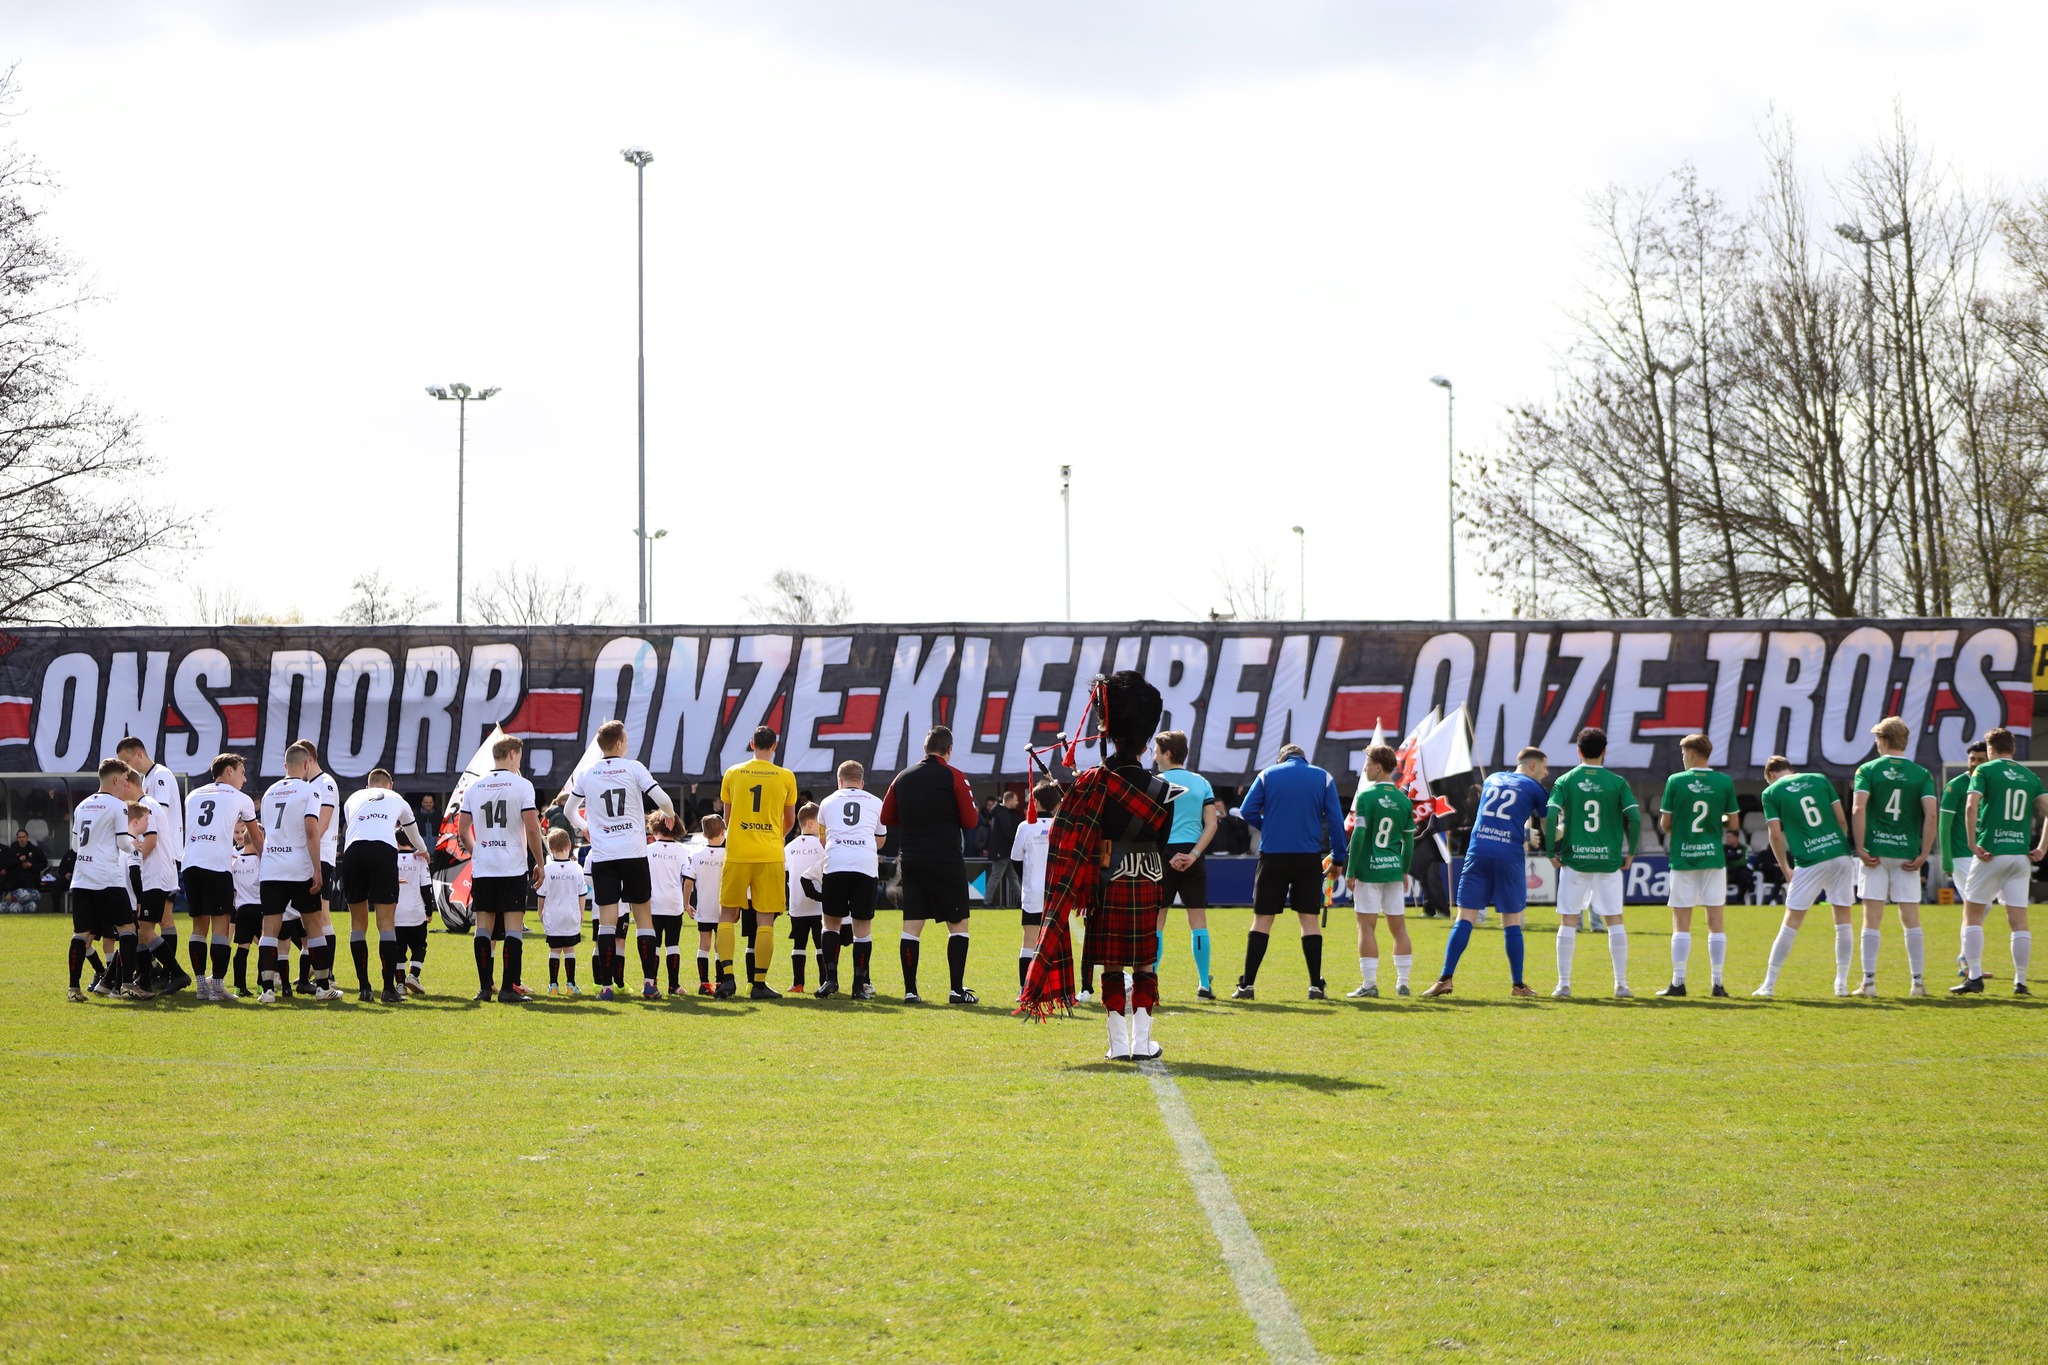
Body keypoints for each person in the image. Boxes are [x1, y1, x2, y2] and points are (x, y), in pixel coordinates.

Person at [1017, 670, 1175, 1059]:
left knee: (1111, 965)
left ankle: (1118, 1043)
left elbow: (1070, 838)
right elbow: (1162, 840)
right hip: (1148, 879)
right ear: (1146, 739)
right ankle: (1143, 1041)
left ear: (1108, 731)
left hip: (1104, 881)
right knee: (1144, 962)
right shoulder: (1164, 790)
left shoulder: (1091, 782)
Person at [1423, 747, 1549, 999]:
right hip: (1508, 857)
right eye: (1544, 768)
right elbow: (1547, 826)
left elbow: (1497, 815)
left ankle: (1444, 979)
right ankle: (1518, 985)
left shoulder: (1491, 779)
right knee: (1512, 922)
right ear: (1533, 766)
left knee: (1464, 919)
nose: (1546, 773)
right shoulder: (1536, 789)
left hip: (1478, 851)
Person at [568, 720, 676, 1000]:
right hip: (633, 854)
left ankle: (605, 988)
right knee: (644, 919)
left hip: (604, 857)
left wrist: (584, 828)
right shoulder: (634, 767)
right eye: (626, 739)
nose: (628, 743)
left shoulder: (588, 773)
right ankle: (649, 984)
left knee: (606, 922)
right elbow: (662, 799)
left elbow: (570, 810)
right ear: (618, 743)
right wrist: (670, 814)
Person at [1232, 743, 1346, 1001]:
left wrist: (1268, 826)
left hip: (1272, 855)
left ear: (1281, 758)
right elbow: (1336, 821)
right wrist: (1339, 857)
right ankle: (1316, 985)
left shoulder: (1268, 774)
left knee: (1262, 919)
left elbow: (1247, 810)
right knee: (1309, 920)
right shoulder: (1323, 777)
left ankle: (1247, 985)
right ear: (1303, 759)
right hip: (1307, 857)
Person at [880, 726, 980, 1004]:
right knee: (958, 924)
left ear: (924, 749)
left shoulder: (902, 777)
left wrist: (914, 821)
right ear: (949, 750)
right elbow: (971, 821)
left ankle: (911, 991)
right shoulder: (954, 775)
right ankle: (956, 990)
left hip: (912, 858)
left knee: (912, 925)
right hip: (946, 859)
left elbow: (887, 816)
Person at [1546, 727, 1641, 999]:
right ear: (1604, 751)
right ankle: (1621, 985)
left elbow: (1551, 814)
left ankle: (1564, 985)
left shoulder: (1565, 780)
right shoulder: (1617, 782)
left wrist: (1551, 851)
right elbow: (1634, 818)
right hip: (1608, 862)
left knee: (1568, 920)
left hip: (1575, 861)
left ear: (1578, 751)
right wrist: (1631, 851)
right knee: (1614, 920)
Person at [1753, 755, 1856, 999]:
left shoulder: (1771, 793)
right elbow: (1841, 818)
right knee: (1843, 919)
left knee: (1791, 922)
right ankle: (1841, 984)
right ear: (1790, 769)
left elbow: (1775, 835)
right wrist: (1838, 843)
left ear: (1769, 776)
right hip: (1839, 853)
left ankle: (1769, 984)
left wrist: (1785, 867)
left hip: (1809, 859)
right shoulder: (1819, 779)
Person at [1849, 717, 1938, 998]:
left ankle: (1869, 983)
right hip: (1907, 855)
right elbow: (1931, 814)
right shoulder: (1921, 773)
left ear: (1884, 740)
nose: (1876, 743)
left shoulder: (1867, 769)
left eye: (1877, 738)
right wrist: (1925, 851)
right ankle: (1917, 983)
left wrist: (1860, 847)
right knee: (1911, 919)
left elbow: (1858, 809)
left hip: (1875, 853)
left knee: (1871, 919)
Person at [1956, 726, 2045, 995]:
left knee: (1972, 916)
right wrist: (2041, 847)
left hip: (1990, 853)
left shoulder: (1984, 770)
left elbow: (1971, 805)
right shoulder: (2029, 775)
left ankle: (1974, 977)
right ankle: (2021, 981)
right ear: (2014, 749)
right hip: (2019, 856)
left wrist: (1972, 843)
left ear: (1990, 749)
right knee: (2019, 921)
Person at [458, 735, 547, 1004]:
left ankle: (485, 989)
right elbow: (532, 828)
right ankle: (508, 989)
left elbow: (463, 832)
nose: (520, 760)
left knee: (482, 929)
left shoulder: (474, 787)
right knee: (513, 928)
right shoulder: (522, 785)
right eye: (519, 755)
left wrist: (479, 852)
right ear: (511, 753)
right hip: (512, 866)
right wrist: (540, 863)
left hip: (485, 868)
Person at [1657, 734, 1741, 998]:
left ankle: (1678, 982)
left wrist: (1682, 826)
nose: (1682, 757)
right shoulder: (1724, 781)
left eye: (1683, 753)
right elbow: (1734, 824)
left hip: (1683, 857)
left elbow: (1665, 824)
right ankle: (1717, 983)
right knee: (1715, 921)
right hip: (1713, 858)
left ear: (1692, 753)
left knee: (1681, 922)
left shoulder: (1676, 781)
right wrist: (1719, 821)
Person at [719, 725, 799, 1001]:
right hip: (770, 854)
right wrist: (774, 837)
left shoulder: (733, 772)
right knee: (766, 919)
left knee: (727, 914)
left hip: (738, 852)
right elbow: (790, 820)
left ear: (752, 744)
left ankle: (728, 979)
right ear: (774, 746)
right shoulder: (786, 776)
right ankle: (759, 984)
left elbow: (727, 819)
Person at [342, 767, 433, 1002]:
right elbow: (413, 834)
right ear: (390, 785)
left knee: (358, 924)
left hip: (353, 851)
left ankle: (364, 988)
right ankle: (388, 989)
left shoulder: (353, 798)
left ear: (367, 785)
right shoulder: (396, 798)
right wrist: (423, 851)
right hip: (383, 851)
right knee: (386, 924)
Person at [181, 753, 260, 1002]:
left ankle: (201, 985)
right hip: (216, 865)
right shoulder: (240, 798)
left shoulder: (193, 795)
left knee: (198, 927)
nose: (244, 779)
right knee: (221, 925)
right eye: (241, 772)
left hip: (191, 863)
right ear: (228, 771)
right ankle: (217, 986)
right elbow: (255, 836)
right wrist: (268, 862)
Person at [1344, 743, 1416, 999]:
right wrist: (1404, 870)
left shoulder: (1365, 796)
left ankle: (1369, 984)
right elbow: (1409, 841)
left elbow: (1359, 834)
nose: (1364, 769)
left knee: (1366, 927)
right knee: (1399, 928)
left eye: (1366, 764)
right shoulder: (1403, 800)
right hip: (1393, 870)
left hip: (1368, 870)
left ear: (1377, 766)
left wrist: (1350, 869)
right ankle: (1403, 982)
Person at [256, 744, 328, 1003]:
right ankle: (322, 987)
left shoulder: (269, 792)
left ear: (285, 766)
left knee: (269, 931)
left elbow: (265, 833)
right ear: (308, 763)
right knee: (312, 927)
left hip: (272, 869)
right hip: (298, 868)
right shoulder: (311, 791)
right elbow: (311, 831)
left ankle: (267, 990)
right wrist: (317, 869)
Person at [66, 759, 141, 1001]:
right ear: (116, 779)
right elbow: (122, 843)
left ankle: (73, 989)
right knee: (127, 928)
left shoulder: (82, 805)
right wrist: (135, 846)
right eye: (125, 780)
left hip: (82, 878)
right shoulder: (117, 806)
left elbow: (75, 845)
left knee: (81, 934)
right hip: (108, 878)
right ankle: (127, 984)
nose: (125, 785)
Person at [1153, 730, 1220, 999]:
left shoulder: (1155, 782)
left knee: (1156, 923)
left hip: (1162, 856)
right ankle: (1204, 983)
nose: (1153, 755)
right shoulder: (1201, 782)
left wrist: (1165, 853)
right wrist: (1193, 855)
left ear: (1168, 753)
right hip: (1193, 857)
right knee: (1198, 922)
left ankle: (1151, 982)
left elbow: (1149, 824)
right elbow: (1212, 824)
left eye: (1156, 750)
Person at [116, 736, 186, 990]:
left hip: (159, 866)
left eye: (125, 762)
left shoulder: (156, 783)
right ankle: (149, 976)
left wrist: (132, 859)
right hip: (158, 866)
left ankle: (171, 973)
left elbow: (153, 833)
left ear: (138, 754)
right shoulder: (147, 787)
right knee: (151, 925)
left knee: (150, 926)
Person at [817, 760, 886, 1000]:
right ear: (862, 781)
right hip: (865, 866)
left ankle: (830, 981)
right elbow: (880, 840)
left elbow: (822, 838)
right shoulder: (876, 802)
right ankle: (859, 986)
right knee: (862, 929)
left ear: (840, 781)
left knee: (831, 924)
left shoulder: (827, 801)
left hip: (835, 864)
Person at [294, 739, 346, 991]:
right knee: (305, 917)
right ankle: (314, 968)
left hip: (321, 856)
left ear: (309, 760)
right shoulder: (308, 785)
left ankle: (328, 972)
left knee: (322, 916)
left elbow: (321, 825)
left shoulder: (325, 783)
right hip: (306, 857)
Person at [1938, 739, 1991, 980]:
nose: (1975, 764)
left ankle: (1965, 958)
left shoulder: (1991, 784)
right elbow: (1944, 825)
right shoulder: (1956, 785)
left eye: (1980, 760)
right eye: (1972, 759)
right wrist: (1946, 860)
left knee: (1981, 906)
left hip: (1983, 856)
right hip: (1961, 856)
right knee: (1979, 906)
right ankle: (1967, 962)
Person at [1011, 781, 1058, 998]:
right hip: (1056, 893)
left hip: (1032, 893)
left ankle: (1025, 989)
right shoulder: (1060, 825)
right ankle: (1055, 989)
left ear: (1035, 801)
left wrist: (1027, 880)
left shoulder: (1025, 826)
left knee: (1029, 941)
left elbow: (1015, 859)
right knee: (1055, 942)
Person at [539, 828, 588, 995]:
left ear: (551, 848)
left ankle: (553, 985)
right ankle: (571, 984)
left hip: (553, 916)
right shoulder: (576, 868)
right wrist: (581, 914)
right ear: (569, 845)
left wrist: (540, 912)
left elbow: (541, 895)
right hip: (571, 915)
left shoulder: (547, 869)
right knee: (569, 949)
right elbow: (582, 894)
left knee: (554, 950)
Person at [646, 811, 690, 995]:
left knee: (654, 945)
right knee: (673, 944)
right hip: (674, 903)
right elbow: (687, 878)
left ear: (655, 827)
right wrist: (687, 904)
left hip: (653, 904)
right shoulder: (682, 851)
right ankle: (674, 985)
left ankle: (652, 983)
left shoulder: (647, 850)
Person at [684, 814, 727, 996]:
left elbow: (688, 881)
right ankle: (720, 982)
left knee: (704, 944)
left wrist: (686, 903)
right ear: (723, 832)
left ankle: (704, 983)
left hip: (703, 907)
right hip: (723, 909)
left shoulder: (697, 854)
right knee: (721, 946)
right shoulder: (727, 855)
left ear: (703, 834)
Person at [784, 804, 826, 994]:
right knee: (821, 945)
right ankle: (824, 982)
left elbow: (784, 875)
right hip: (819, 906)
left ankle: (797, 983)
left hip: (797, 906)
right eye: (820, 822)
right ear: (811, 822)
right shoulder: (821, 846)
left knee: (798, 945)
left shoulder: (789, 847)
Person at [229, 829, 264, 997]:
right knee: (265, 947)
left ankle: (239, 987)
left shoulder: (235, 862)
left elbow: (233, 889)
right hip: (259, 908)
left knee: (242, 949)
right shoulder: (261, 861)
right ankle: (262, 985)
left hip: (241, 909)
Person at [394, 838, 430, 995]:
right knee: (419, 946)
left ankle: (400, 984)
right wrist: (429, 910)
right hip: (416, 912)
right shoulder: (420, 859)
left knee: (398, 950)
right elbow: (426, 888)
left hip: (395, 913)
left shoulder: (390, 858)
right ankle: (413, 975)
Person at [986, 790, 1024, 908]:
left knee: (1012, 877)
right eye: (1015, 800)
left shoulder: (1003, 813)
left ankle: (1022, 900)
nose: (1017, 803)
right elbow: (1008, 832)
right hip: (1002, 852)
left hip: (1005, 852)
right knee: (997, 876)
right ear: (1009, 800)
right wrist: (1019, 841)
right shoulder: (1003, 814)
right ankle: (987, 901)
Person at [5, 829, 47, 912]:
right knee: (8, 883)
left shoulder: (35, 850)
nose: (22, 839)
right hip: (14, 877)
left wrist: (31, 866)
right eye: (19, 837)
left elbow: (44, 864)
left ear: (27, 837)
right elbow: (6, 863)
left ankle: (29, 906)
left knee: (29, 883)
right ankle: (10, 906)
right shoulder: (12, 849)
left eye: (23, 837)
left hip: (30, 876)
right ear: (17, 838)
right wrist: (18, 859)